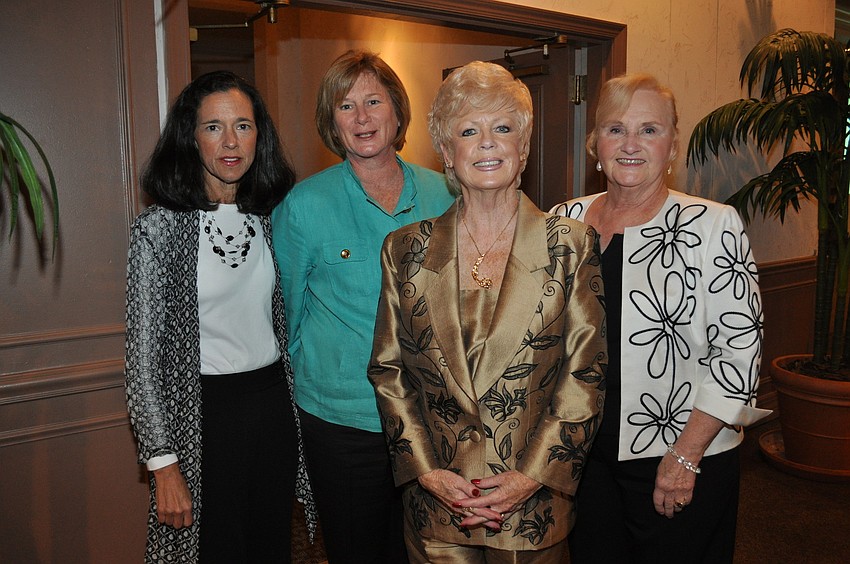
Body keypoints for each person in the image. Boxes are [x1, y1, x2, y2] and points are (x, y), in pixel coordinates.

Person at [368, 61, 607, 563]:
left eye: (503, 129)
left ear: (523, 149)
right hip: (439, 503)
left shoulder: (571, 245)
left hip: (532, 505)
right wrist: (428, 472)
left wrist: (530, 476)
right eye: (468, 131)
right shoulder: (404, 249)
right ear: (447, 155)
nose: (487, 142)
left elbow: (585, 372)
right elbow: (389, 371)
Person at [550, 73, 770, 563]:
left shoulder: (713, 225)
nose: (631, 144)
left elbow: (739, 353)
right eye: (615, 129)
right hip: (584, 454)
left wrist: (685, 455)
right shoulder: (561, 221)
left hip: (679, 449)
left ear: (672, 145)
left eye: (649, 130)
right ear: (595, 144)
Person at [271, 50, 454, 563]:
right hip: (343, 421)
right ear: (332, 123)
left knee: (427, 551)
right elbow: (281, 314)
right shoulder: (305, 205)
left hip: (430, 419)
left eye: (373, 101)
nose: (363, 117)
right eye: (345, 106)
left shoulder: (446, 195)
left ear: (397, 111)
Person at [125, 70, 313, 563]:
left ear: (260, 135)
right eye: (213, 127)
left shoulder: (275, 218)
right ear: (191, 137)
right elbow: (140, 363)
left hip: (273, 409)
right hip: (202, 415)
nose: (230, 142)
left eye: (243, 126)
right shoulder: (158, 229)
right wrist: (163, 464)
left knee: (271, 546)